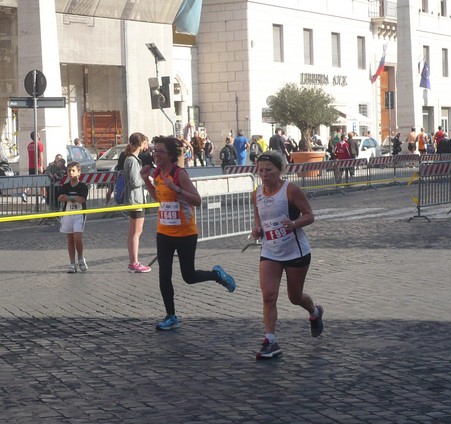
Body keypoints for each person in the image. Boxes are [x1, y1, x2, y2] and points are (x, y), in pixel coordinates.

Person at [139, 135, 236, 331]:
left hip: (185, 232)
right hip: (164, 231)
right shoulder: (156, 173)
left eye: (160, 152)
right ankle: (171, 315)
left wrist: (177, 189)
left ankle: (216, 275)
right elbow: (159, 198)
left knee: (189, 276)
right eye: (154, 151)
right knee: (164, 276)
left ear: (171, 154)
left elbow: (197, 201)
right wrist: (146, 180)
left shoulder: (179, 174)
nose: (156, 155)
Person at [251, 151, 323, 359]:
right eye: (261, 170)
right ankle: (270, 341)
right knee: (269, 295)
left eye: (269, 170)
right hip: (270, 251)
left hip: (295, 251)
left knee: (295, 297)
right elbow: (259, 219)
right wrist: (257, 230)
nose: (264, 174)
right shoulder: (256, 193)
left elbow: (309, 216)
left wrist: (293, 224)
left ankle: (315, 312)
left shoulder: (290, 190)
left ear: (280, 170)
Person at [123, 132, 151, 273]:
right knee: (136, 232)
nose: (147, 145)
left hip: (133, 199)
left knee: (133, 232)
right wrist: (146, 179)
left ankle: (132, 261)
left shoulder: (130, 159)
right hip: (136, 199)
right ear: (140, 144)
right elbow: (135, 182)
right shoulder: (133, 160)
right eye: (145, 142)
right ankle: (134, 262)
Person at [57, 162, 89, 273]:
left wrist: (69, 197)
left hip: (79, 214)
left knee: (77, 238)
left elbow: (82, 199)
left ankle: (80, 258)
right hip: (67, 214)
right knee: (70, 239)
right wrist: (73, 197)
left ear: (78, 172)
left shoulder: (82, 186)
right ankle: (72, 263)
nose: (71, 173)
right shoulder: (65, 186)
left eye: (73, 170)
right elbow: (60, 198)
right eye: (69, 171)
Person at [24, 131, 45, 202]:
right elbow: (41, 156)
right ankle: (43, 197)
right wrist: (41, 166)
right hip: (38, 166)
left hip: (31, 166)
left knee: (30, 181)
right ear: (37, 136)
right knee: (43, 182)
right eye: (38, 134)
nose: (39, 135)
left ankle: (24, 193)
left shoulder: (29, 145)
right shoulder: (39, 144)